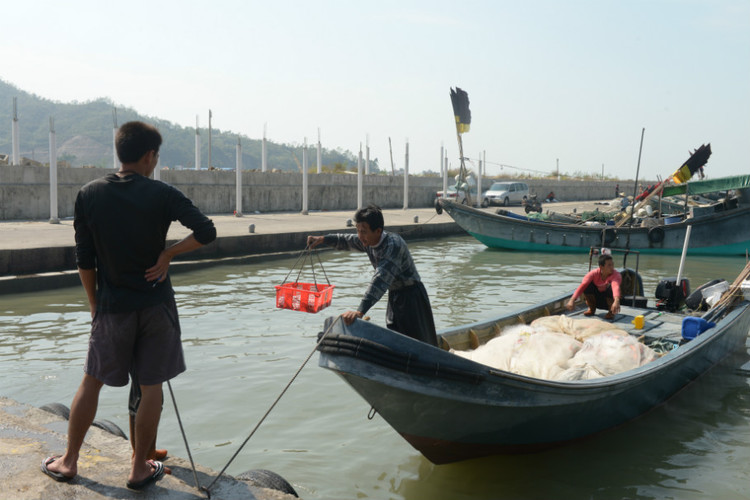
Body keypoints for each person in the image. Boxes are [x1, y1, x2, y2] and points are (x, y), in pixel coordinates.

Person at [41, 121, 216, 490]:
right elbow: (206, 231)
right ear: (150, 155)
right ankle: (139, 467)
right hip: (156, 304)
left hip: (112, 305)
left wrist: (94, 305)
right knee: (151, 386)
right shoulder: (162, 193)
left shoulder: (89, 194)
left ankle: (69, 461)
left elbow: (84, 259)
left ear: (120, 152)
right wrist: (168, 254)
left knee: (92, 382)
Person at [307, 204, 438, 346]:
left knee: (419, 343)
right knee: (397, 339)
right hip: (395, 295)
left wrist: (359, 311)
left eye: (363, 231)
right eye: (357, 230)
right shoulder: (367, 241)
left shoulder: (393, 245)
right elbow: (346, 240)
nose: (360, 236)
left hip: (412, 297)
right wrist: (323, 239)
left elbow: (380, 279)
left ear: (378, 231)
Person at [566, 254, 622, 320]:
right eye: (609, 265)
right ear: (601, 267)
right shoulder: (593, 274)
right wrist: (572, 300)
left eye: (612, 264)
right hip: (596, 300)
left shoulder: (616, 275)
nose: (612, 267)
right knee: (587, 285)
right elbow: (582, 286)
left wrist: (616, 301)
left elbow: (616, 287)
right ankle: (592, 309)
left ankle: (611, 312)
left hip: (609, 302)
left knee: (611, 288)